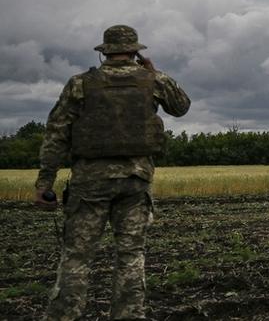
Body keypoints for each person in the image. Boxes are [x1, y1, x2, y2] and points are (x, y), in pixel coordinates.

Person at [34, 24, 191, 321]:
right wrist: (154, 71)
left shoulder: (80, 83)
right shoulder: (153, 80)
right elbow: (181, 106)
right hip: (135, 180)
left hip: (90, 182)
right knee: (131, 254)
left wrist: (45, 182)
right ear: (134, 52)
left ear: (104, 52)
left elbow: (56, 133)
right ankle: (129, 315)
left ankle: (64, 316)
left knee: (77, 255)